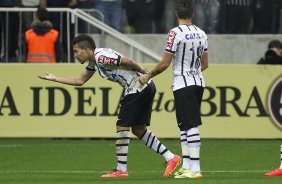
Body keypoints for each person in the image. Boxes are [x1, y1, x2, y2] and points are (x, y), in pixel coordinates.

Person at [38, 34, 181, 178]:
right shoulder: (94, 62)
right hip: (143, 87)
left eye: (76, 51)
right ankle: (171, 158)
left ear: (87, 50)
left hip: (138, 86)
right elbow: (80, 80)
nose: (75, 55)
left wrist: (144, 72)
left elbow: (128, 61)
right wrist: (56, 79)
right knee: (138, 129)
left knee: (122, 126)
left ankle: (121, 170)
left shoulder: (100, 57)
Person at [139, 0, 208, 179]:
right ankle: (186, 166)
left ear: (176, 14)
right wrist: (190, 74)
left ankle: (196, 169)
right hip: (198, 81)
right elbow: (205, 64)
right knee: (184, 124)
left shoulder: (175, 33)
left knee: (190, 124)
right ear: (193, 15)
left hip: (183, 82)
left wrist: (148, 75)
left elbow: (164, 63)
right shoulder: (202, 33)